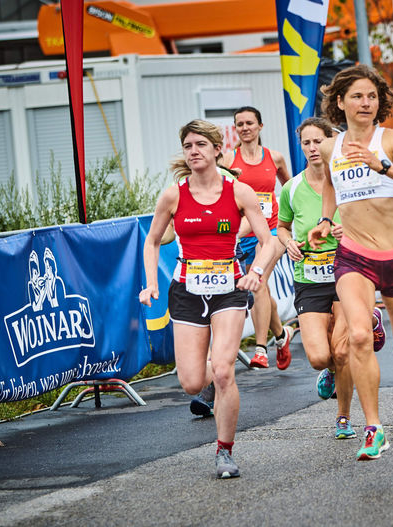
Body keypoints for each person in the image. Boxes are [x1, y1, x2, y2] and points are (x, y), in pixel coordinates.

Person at [307, 64, 393, 460]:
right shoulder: (331, 147)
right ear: (340, 102)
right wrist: (326, 220)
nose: (366, 102)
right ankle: (374, 427)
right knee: (360, 337)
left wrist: (382, 166)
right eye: (358, 96)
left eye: (372, 96)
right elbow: (330, 186)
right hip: (353, 257)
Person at [140, 119, 280, 479]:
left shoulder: (239, 191)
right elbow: (152, 240)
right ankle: (214, 386)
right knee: (190, 382)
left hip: (229, 289)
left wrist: (257, 272)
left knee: (221, 370)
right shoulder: (174, 194)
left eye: (201, 144)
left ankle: (224, 451)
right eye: (188, 146)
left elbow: (268, 241)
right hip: (186, 289)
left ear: (218, 149)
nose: (194, 151)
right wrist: (150, 282)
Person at [278, 117, 362, 439]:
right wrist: (288, 244)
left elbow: (371, 220)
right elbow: (282, 226)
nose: (313, 149)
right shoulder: (291, 188)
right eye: (307, 143)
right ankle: (328, 371)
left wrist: (348, 231)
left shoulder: (346, 181)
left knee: (343, 352)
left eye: (318, 142)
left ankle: (343, 417)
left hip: (347, 271)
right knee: (319, 357)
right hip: (310, 277)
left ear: (330, 142)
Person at [222, 106, 294, 370]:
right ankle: (281, 334)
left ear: (260, 126)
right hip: (243, 234)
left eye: (249, 123)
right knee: (261, 288)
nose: (244, 128)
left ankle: (261, 348)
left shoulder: (274, 158)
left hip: (272, 233)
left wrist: (290, 220)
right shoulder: (228, 161)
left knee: (258, 277)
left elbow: (290, 188)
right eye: (239, 124)